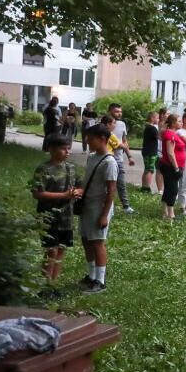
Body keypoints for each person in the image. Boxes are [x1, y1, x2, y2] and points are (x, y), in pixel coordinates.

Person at [32, 133, 78, 285]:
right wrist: (63, 195)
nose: (67, 152)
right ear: (51, 149)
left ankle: (53, 283)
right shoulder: (44, 169)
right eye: (63, 149)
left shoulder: (71, 167)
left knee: (61, 249)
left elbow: (80, 186)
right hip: (48, 216)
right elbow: (37, 193)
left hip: (66, 216)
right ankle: (45, 283)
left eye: (68, 148)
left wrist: (77, 192)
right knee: (51, 250)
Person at [79, 124, 120, 293]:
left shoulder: (109, 162)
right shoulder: (92, 157)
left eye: (90, 138)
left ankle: (100, 280)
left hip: (99, 207)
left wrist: (104, 215)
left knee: (97, 242)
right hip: (87, 205)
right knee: (86, 240)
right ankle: (91, 275)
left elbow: (111, 191)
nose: (87, 141)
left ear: (102, 139)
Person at [105, 103, 136, 214]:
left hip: (119, 159)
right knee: (107, 184)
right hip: (107, 159)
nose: (119, 114)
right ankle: (108, 206)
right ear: (110, 111)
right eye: (116, 111)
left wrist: (129, 156)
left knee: (121, 183)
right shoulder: (104, 125)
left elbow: (124, 141)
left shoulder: (122, 124)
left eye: (120, 111)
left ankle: (126, 206)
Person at [159, 113, 186, 221]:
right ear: (173, 123)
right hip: (170, 166)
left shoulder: (172, 133)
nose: (181, 123)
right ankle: (171, 214)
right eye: (179, 121)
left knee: (169, 188)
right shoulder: (170, 134)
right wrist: (176, 168)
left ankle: (164, 212)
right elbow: (170, 153)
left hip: (170, 166)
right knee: (173, 190)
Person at [140, 111, 159, 193]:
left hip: (147, 150)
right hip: (151, 151)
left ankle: (144, 186)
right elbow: (159, 136)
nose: (158, 120)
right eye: (157, 118)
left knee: (147, 169)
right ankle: (146, 187)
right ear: (152, 118)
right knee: (150, 170)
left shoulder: (148, 127)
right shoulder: (152, 128)